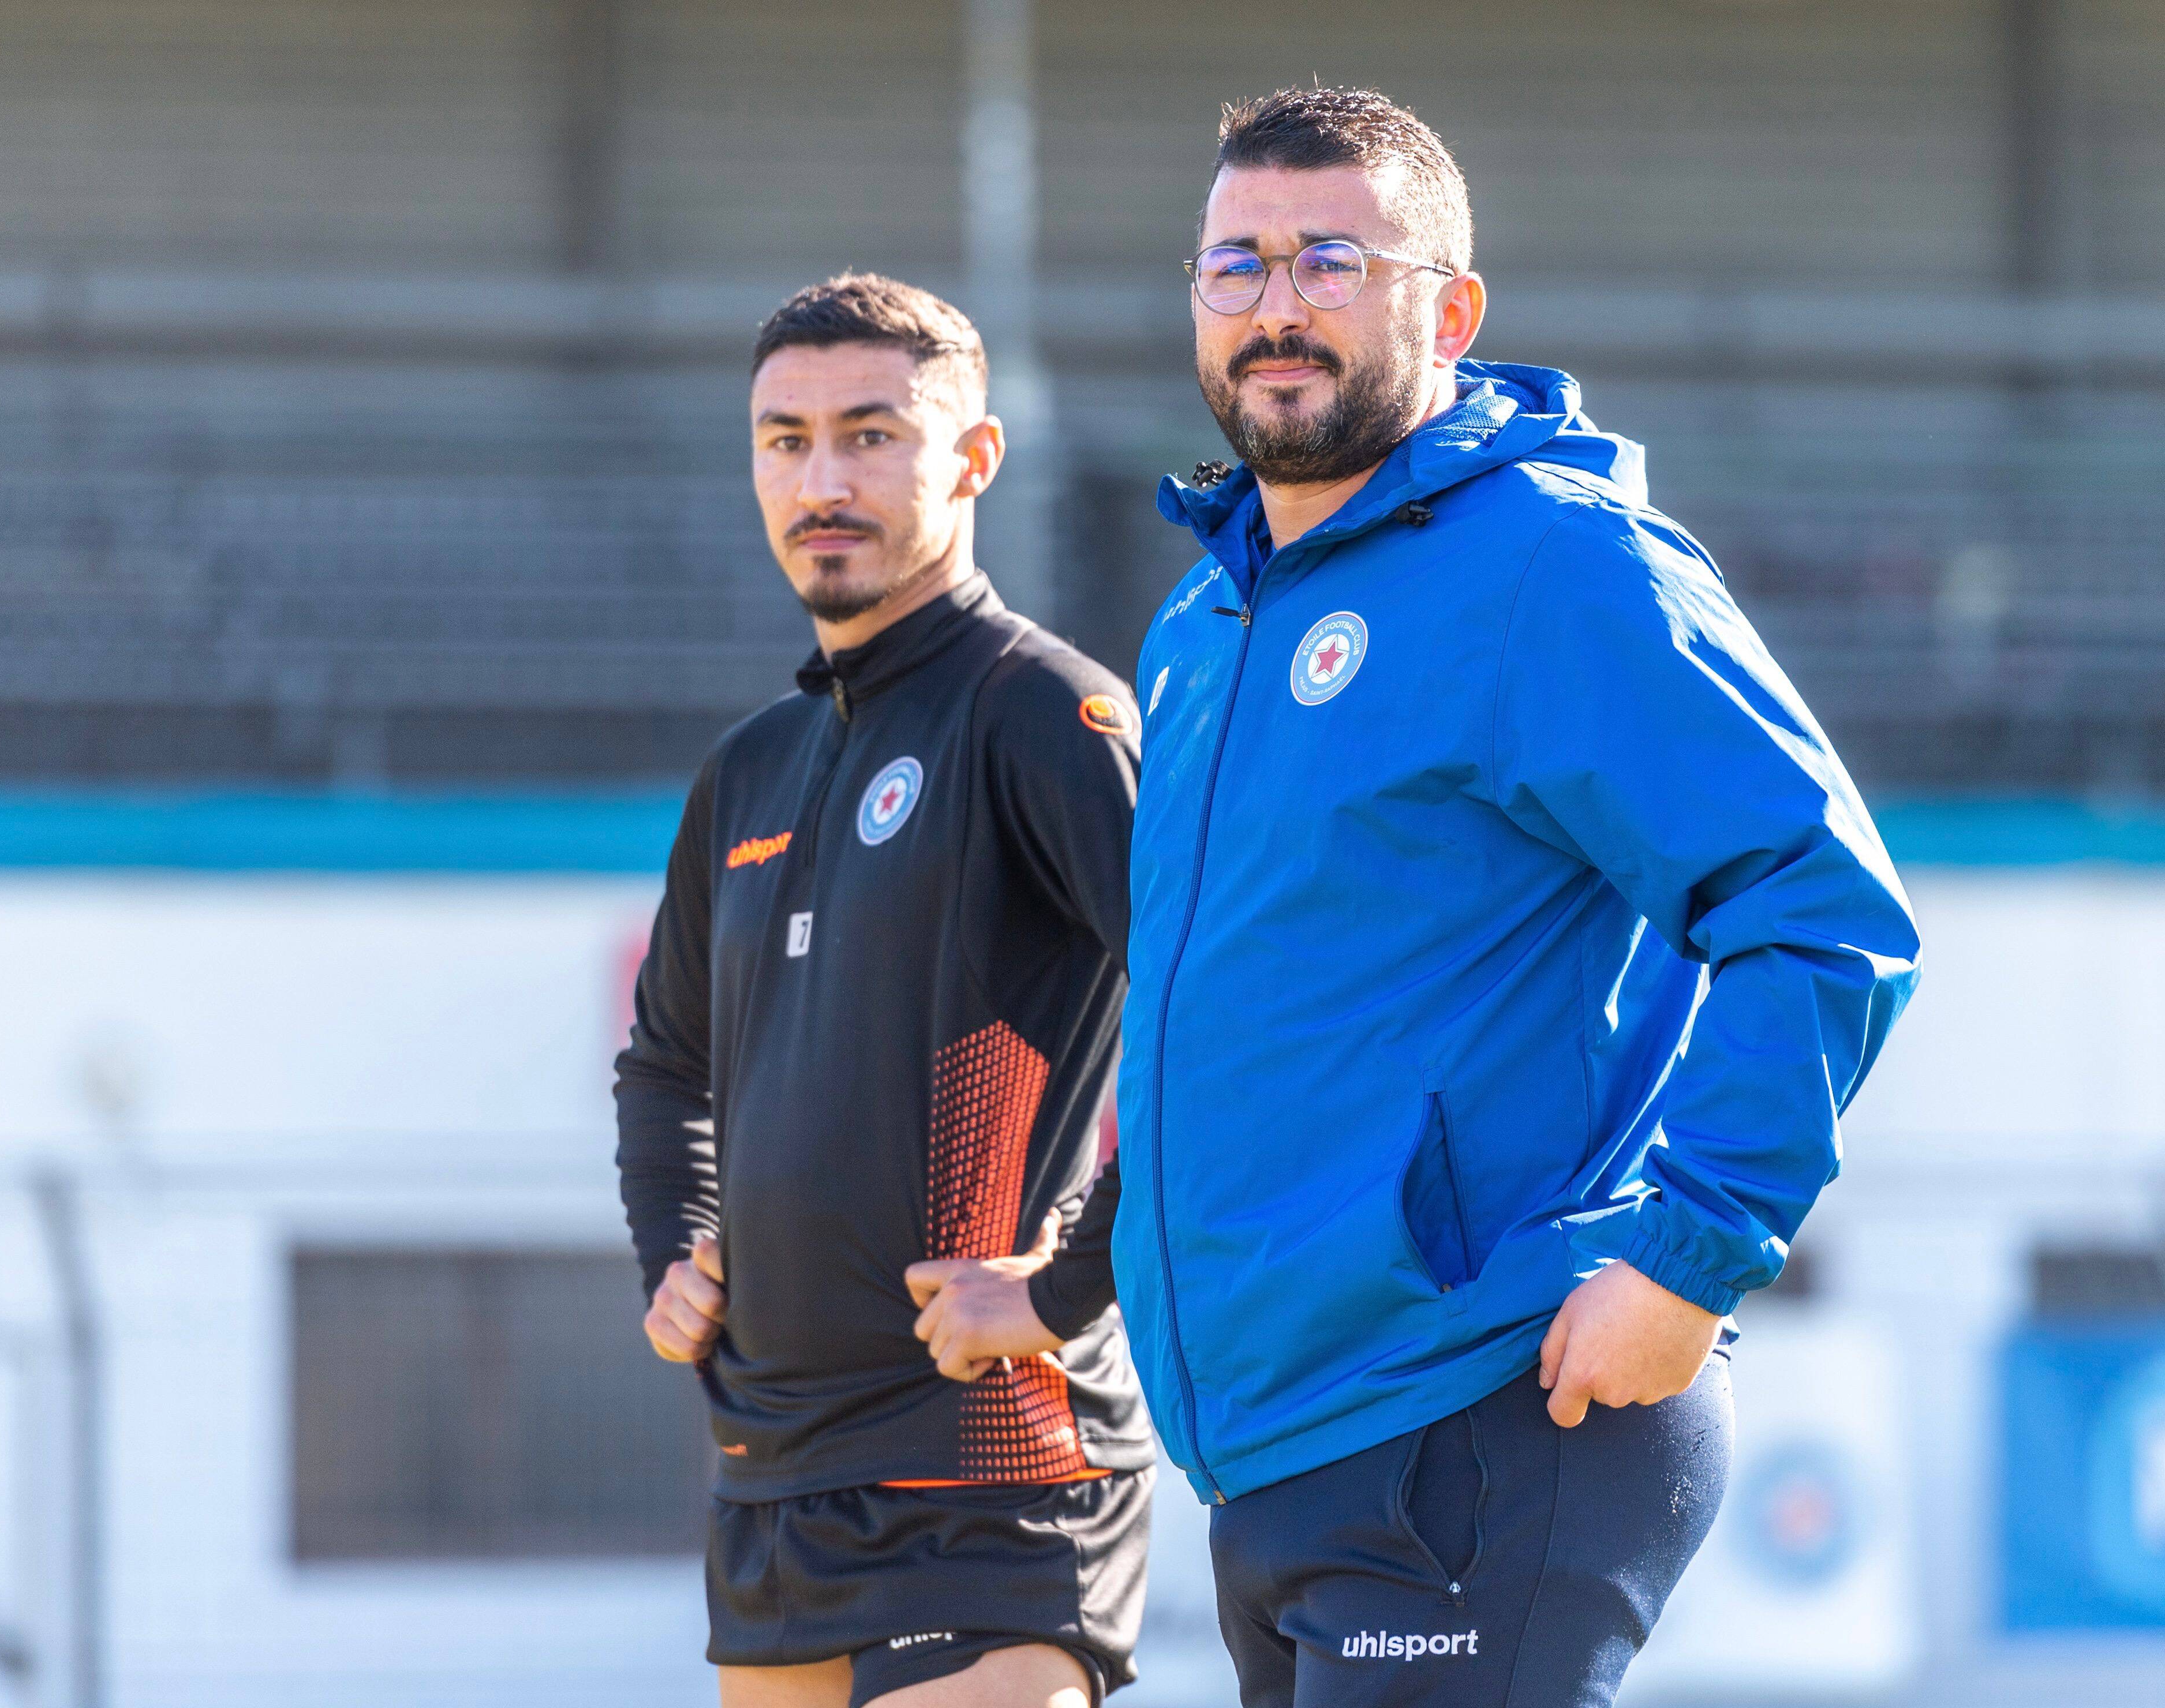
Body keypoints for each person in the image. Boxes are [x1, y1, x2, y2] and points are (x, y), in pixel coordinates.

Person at [1116, 88, 1924, 1706]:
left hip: (1483, 1410)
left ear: (1450, 308)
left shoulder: (1554, 567)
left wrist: (1692, 1257)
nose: (1277, 306)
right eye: (1236, 267)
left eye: (1331, 260)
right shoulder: (1207, 622)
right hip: (1278, 1446)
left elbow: (1821, 910)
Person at [614, 274, 1152, 1708]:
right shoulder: (748, 769)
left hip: (991, 1468)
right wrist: (676, 1240)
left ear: (972, 459)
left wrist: (1069, 1284)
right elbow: (667, 1065)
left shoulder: (1046, 712)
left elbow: (1212, 1023)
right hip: (777, 1472)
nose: (822, 477)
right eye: (784, 441)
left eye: (870, 433)